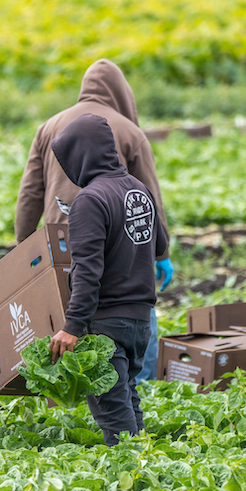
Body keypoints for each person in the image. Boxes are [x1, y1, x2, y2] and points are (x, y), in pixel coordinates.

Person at [15, 58, 173, 381]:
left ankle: (75, 411)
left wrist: (25, 249)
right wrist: (161, 253)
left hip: (59, 246)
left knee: (65, 328)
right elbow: (149, 200)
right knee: (124, 332)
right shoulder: (130, 132)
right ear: (123, 93)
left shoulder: (50, 127)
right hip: (120, 251)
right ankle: (134, 391)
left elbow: (30, 193)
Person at [49, 114, 167, 446]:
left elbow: (87, 270)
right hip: (140, 320)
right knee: (126, 396)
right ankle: (149, 469)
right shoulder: (137, 188)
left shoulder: (91, 199)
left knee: (113, 413)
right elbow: (158, 245)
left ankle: (137, 483)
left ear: (81, 155)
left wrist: (73, 326)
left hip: (105, 325)